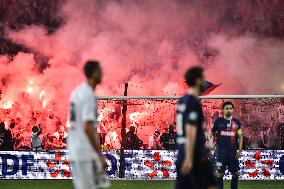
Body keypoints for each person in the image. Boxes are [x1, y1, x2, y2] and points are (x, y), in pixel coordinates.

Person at [67, 60, 110, 189]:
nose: (103, 74)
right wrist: (99, 154)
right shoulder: (88, 95)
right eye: (100, 71)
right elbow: (87, 127)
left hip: (75, 149)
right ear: (94, 73)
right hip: (85, 152)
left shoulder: (77, 92)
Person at [175, 67, 217, 189]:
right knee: (211, 185)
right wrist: (189, 157)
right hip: (194, 152)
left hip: (183, 151)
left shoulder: (182, 100)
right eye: (203, 78)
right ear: (198, 80)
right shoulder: (193, 102)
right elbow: (190, 128)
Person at [211, 102, 243, 189]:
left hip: (233, 153)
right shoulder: (218, 121)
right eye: (226, 108)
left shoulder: (237, 122)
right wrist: (211, 142)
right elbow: (211, 133)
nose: (229, 110)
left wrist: (239, 151)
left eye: (230, 108)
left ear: (232, 109)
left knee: (235, 174)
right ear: (223, 110)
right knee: (220, 174)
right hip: (221, 153)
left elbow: (240, 137)